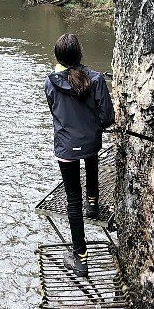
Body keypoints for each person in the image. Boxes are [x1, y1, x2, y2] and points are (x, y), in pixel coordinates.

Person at [44, 33, 115, 277]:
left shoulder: (50, 82)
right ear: (80, 54)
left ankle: (81, 259)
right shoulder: (96, 79)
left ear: (58, 58)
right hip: (90, 142)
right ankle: (93, 204)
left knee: (72, 201)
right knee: (92, 158)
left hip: (65, 146)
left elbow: (54, 112)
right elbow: (107, 118)